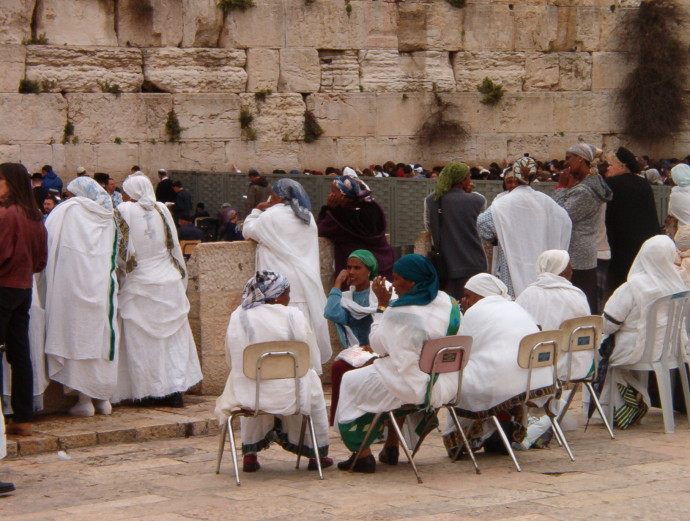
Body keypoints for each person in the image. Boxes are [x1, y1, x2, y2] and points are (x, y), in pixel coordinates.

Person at [335, 255, 461, 473]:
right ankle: (391, 445)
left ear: (412, 282)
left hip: (414, 386)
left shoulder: (401, 311)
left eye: (397, 278)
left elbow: (378, 346)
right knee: (391, 380)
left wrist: (382, 307)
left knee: (351, 381)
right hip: (445, 384)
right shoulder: (449, 303)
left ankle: (362, 453)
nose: (393, 285)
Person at [215, 271, 332, 472]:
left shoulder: (238, 316)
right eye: (287, 293)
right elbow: (309, 356)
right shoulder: (294, 316)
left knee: (243, 378)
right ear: (277, 295)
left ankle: (249, 455)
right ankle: (316, 456)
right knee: (310, 382)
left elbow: (231, 358)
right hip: (293, 393)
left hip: (251, 396)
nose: (289, 298)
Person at [111, 174, 202, 407]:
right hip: (168, 281)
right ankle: (174, 389)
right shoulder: (162, 209)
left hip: (140, 281)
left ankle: (146, 390)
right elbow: (172, 243)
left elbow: (121, 250)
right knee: (172, 340)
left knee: (142, 341)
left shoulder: (124, 210)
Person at [442, 273, 555, 456]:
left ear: (480, 294)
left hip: (502, 382)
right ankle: (497, 430)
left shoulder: (476, 312)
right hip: (533, 380)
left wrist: (464, 316)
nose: (465, 300)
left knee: (458, 379)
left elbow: (462, 349)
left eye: (468, 295)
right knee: (487, 370)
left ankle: (463, 441)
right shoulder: (515, 307)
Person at [43, 177, 119, 417]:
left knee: (76, 338)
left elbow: (49, 240)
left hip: (72, 286)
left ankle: (84, 400)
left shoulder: (67, 210)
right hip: (101, 287)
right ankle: (103, 400)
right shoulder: (109, 215)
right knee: (101, 339)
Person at [599, 235, 688, 428]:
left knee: (597, 350)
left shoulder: (632, 287)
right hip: (672, 351)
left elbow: (609, 324)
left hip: (635, 351)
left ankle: (611, 409)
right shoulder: (678, 286)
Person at [243, 179, 332, 366]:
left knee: (278, 333)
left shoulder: (270, 216)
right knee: (303, 334)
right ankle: (306, 371)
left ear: (277, 196)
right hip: (302, 286)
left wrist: (257, 210)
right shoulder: (306, 217)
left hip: (277, 288)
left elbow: (248, 230)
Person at [477, 155, 572, 297]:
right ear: (533, 176)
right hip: (542, 271)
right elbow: (566, 222)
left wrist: (501, 236)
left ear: (515, 175)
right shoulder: (547, 202)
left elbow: (482, 226)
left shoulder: (503, 203)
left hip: (511, 266)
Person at [0, 163, 48, 438]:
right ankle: (23, 416)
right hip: (23, 288)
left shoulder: (6, 214)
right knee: (20, 355)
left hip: (3, 286)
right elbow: (41, 260)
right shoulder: (35, 216)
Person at [324, 250, 383, 425]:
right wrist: (338, 283)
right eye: (349, 267)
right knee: (339, 367)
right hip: (355, 352)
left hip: (378, 349)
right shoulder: (346, 298)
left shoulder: (381, 294)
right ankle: (342, 422)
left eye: (358, 267)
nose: (351, 272)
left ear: (369, 270)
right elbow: (330, 312)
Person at [552, 144, 612, 313]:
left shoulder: (585, 191)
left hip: (578, 255)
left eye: (568, 158)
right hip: (581, 251)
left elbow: (561, 216)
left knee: (578, 304)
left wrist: (561, 188)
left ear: (580, 159)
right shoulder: (587, 185)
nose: (565, 163)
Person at [515, 250, 591, 381]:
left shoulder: (528, 295)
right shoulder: (577, 294)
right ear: (561, 272)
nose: (572, 273)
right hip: (576, 366)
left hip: (537, 365)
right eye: (570, 269)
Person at [424, 162, 487, 299]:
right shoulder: (478, 200)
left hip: (445, 266)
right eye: (469, 177)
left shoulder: (432, 200)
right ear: (463, 180)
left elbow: (429, 226)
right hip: (474, 263)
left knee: (449, 309)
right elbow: (481, 228)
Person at [604, 147, 659, 296]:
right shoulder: (643, 184)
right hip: (643, 243)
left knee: (621, 286)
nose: (608, 167)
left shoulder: (613, 184)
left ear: (622, 167)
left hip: (621, 245)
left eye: (611, 164)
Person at [317, 175, 395, 280]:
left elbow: (319, 230)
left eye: (333, 192)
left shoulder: (337, 218)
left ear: (344, 195)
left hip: (358, 271)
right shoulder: (373, 208)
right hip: (383, 263)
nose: (330, 195)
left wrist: (328, 208)